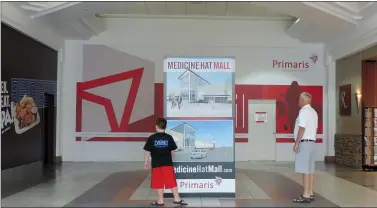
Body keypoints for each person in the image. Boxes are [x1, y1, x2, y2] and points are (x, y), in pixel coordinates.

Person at [143, 118, 188, 206]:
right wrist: (167, 158)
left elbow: (147, 151)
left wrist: (146, 162)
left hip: (156, 164)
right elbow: (173, 151)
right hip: (167, 164)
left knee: (159, 182)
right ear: (165, 127)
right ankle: (177, 199)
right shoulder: (169, 137)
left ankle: (160, 201)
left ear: (156, 126)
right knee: (171, 181)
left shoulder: (152, 138)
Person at [293, 92, 318, 203]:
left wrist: (297, 142)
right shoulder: (313, 112)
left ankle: (306, 195)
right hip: (312, 143)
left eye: (299, 99)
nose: (298, 101)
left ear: (303, 100)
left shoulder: (304, 112)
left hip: (304, 143)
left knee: (304, 170)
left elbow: (302, 128)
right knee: (310, 169)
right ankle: (310, 192)